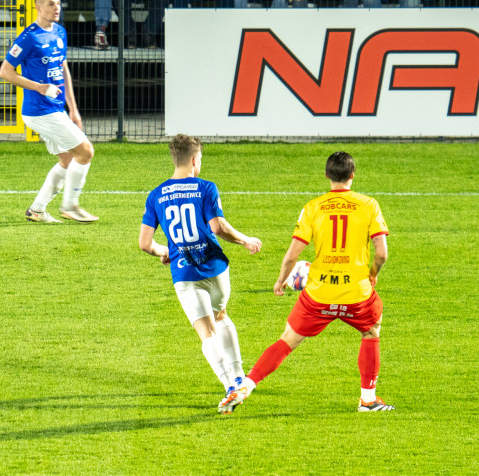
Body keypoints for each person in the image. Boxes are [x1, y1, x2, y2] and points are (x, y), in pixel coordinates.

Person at [219, 151, 394, 415]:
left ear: (327, 176)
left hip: (319, 293)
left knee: (287, 341)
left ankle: (246, 385)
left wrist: (280, 281)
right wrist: (373, 273)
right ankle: (368, 400)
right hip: (356, 293)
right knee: (371, 331)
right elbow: (382, 253)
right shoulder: (369, 205)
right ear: (352, 176)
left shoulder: (313, 207)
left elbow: (293, 255)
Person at [139, 134, 263, 410]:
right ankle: (240, 376)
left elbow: (145, 244)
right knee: (221, 316)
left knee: (206, 331)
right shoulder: (206, 187)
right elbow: (218, 227)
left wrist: (164, 252)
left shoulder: (156, 195)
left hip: (185, 273)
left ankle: (230, 386)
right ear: (195, 160)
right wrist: (244, 240)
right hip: (217, 268)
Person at [0, 0, 98, 224]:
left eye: (59, 4)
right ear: (38, 7)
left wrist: (72, 108)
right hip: (39, 110)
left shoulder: (60, 32)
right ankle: (70, 205)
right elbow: (5, 72)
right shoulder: (28, 37)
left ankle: (37, 210)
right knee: (85, 152)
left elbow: (63, 69)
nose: (57, 8)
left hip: (55, 108)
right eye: (51, 4)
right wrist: (39, 87)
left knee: (66, 160)